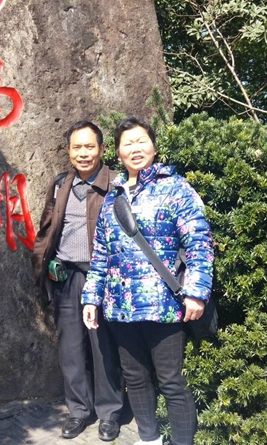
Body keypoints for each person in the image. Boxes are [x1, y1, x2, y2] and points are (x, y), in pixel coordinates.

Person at [81, 116, 214, 445]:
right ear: (118, 152)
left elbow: (199, 243)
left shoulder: (176, 188)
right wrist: (91, 298)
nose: (135, 148)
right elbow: (101, 254)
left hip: (163, 306)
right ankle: (149, 439)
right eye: (128, 143)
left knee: (171, 382)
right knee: (135, 379)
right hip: (120, 308)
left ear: (153, 146)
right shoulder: (113, 198)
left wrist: (196, 292)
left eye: (142, 141)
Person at [31, 121, 125, 441]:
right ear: (69, 151)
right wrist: (44, 265)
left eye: (89, 146)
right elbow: (47, 229)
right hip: (67, 277)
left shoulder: (117, 184)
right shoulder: (61, 185)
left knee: (104, 348)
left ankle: (110, 413)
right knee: (71, 348)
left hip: (103, 278)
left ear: (102, 149)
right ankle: (79, 411)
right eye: (77, 147)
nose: (83, 153)